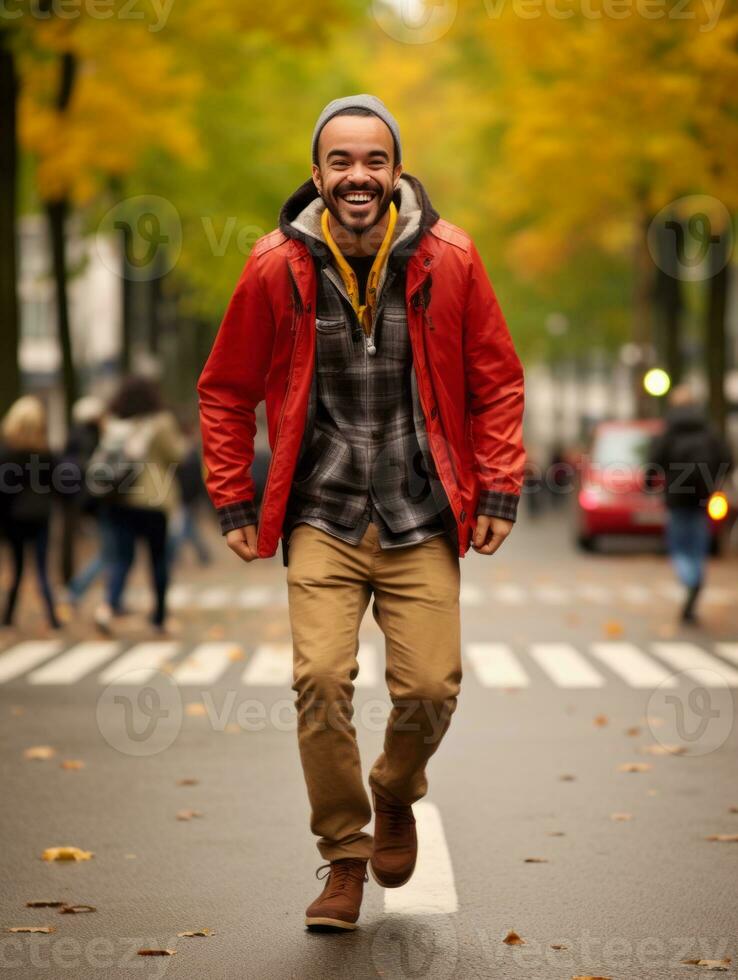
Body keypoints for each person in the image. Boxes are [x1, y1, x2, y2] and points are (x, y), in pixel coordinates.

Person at [197, 94, 526, 930]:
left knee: (430, 686)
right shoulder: (277, 264)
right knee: (317, 679)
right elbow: (226, 390)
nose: (357, 176)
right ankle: (344, 856)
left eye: (373, 161)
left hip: (422, 510)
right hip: (322, 512)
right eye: (340, 161)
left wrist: (497, 487)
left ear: (396, 170)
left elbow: (496, 381)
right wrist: (234, 494)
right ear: (317, 174)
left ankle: (394, 788)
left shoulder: (449, 259)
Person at [93, 376, 186, 635]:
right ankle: (159, 617)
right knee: (158, 560)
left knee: (121, 559)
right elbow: (176, 455)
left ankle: (108, 608)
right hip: (153, 501)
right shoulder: (162, 422)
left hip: (119, 499)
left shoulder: (115, 423)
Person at [648, 384, 733, 624]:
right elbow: (727, 458)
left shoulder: (669, 430)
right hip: (703, 495)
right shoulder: (708, 430)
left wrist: (650, 484)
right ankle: (696, 577)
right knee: (698, 544)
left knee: (678, 545)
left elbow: (654, 460)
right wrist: (716, 480)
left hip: (676, 497)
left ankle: (689, 578)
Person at [0, 395, 60, 631]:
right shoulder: (46, 454)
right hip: (41, 515)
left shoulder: (7, 455)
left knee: (16, 568)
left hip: (15, 517)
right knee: (42, 569)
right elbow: (59, 485)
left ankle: (7, 617)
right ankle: (53, 618)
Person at [166, 421, 212, 568]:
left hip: (185, 497)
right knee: (187, 528)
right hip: (187, 496)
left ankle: (173, 556)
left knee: (182, 529)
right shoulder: (187, 451)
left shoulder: (185, 452)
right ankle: (203, 555)